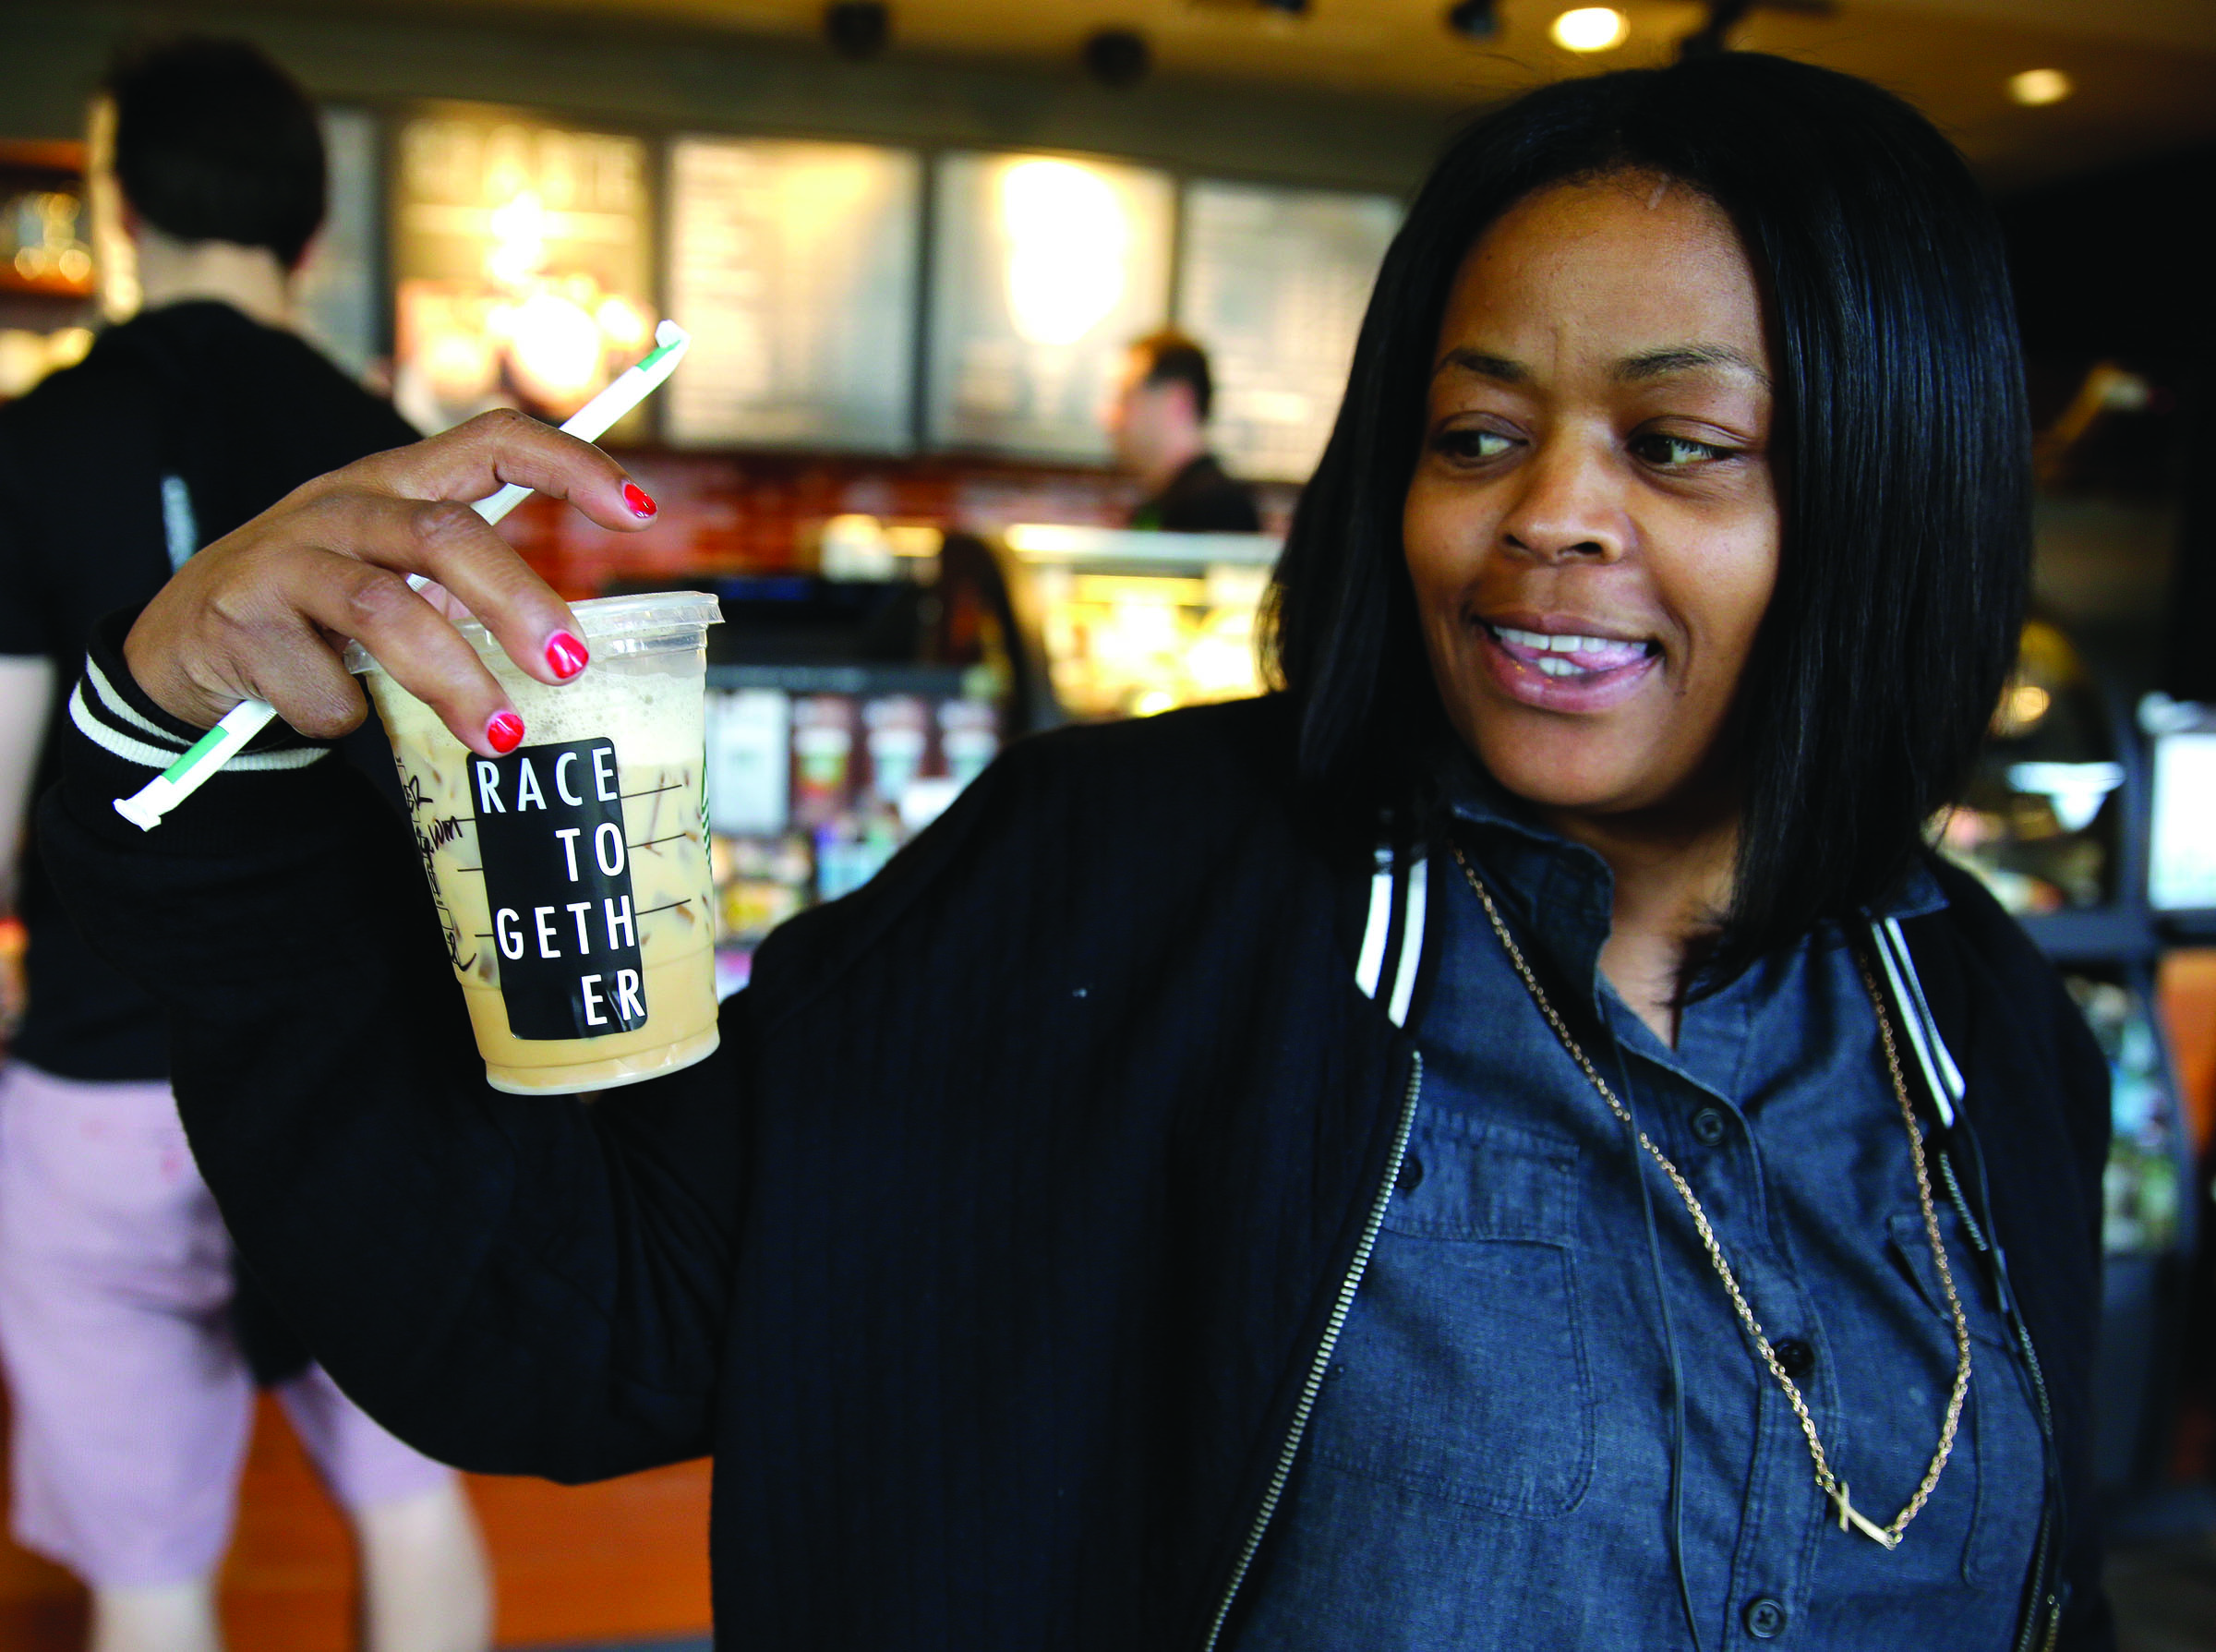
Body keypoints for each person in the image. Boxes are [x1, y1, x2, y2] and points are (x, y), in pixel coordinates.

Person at [38, 53, 2110, 1651]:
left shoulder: (1988, 1022)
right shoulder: (1124, 879)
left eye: (1679, 446)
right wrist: (205, 761)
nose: (1546, 513)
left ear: (1893, 490)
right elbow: (565, 1315)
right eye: (1477, 432)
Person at [0, 38, 490, 1652]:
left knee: (148, 1575)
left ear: (120, 208)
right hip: (368, 1074)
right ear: (315, 233)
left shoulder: (35, 442)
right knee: (409, 1493)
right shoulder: (394, 453)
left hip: (104, 1076)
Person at [1106, 328, 1263, 532]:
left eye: (1126, 397)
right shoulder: (1165, 500)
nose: (1109, 416)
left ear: (1179, 401)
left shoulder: (1215, 507)